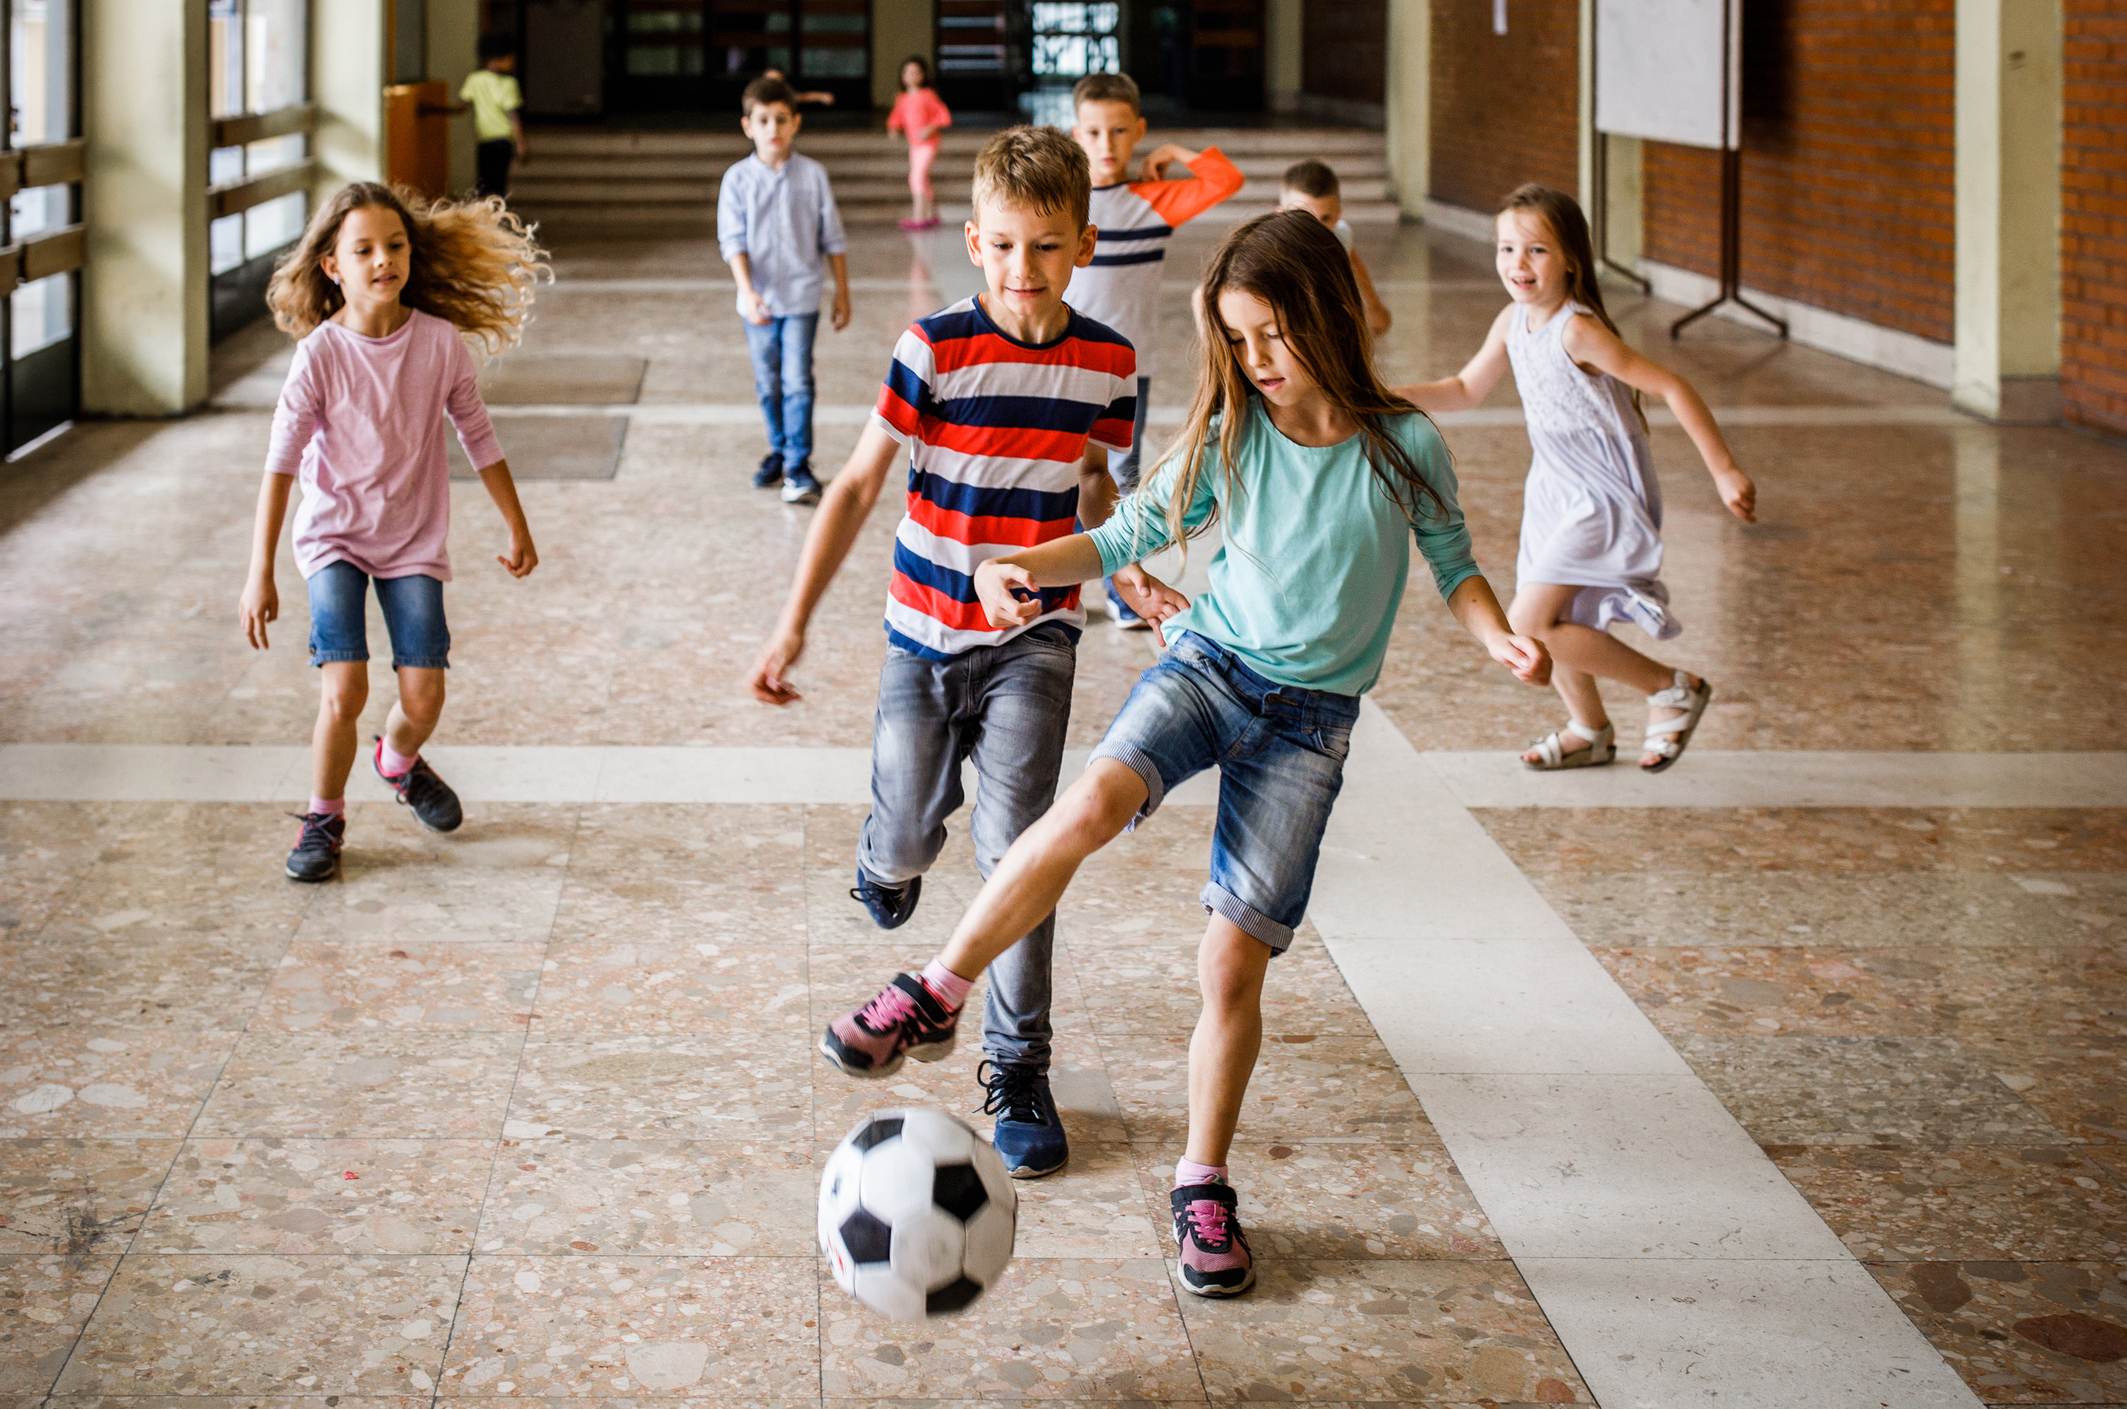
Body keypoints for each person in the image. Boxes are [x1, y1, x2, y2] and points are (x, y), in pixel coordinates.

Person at [817, 210, 1550, 1296]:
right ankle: (933, 988)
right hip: (1208, 667)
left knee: (1230, 959)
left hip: (1312, 721)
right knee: (1082, 811)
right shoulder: (1230, 430)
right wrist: (1020, 562)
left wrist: (1498, 634)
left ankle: (1203, 1184)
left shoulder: (1405, 445)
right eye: (1237, 341)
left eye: (1270, 337)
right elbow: (1122, 535)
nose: (1253, 362)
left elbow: (1454, 563)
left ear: (1327, 318)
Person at [748, 127, 1139, 1181]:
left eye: (1048, 248)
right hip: (921, 632)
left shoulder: (1110, 363)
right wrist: (793, 620)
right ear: (974, 242)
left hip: (1036, 637)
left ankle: (1019, 1063)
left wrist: (1123, 558)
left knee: (1022, 851)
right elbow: (860, 486)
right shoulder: (933, 349)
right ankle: (886, 860)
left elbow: (1098, 486)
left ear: (1083, 245)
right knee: (911, 836)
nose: (1025, 271)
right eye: (1006, 246)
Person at [239, 183, 546, 883]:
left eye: (395, 246)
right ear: (332, 266)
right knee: (343, 689)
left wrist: (516, 521)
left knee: (423, 698)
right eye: (364, 250)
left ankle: (397, 761)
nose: (384, 260)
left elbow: (478, 436)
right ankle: (324, 817)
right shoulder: (318, 355)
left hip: (411, 540)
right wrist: (259, 570)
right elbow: (280, 467)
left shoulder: (438, 345)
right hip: (333, 538)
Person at [1397, 183, 1756, 772]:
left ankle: (1670, 686)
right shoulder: (1513, 320)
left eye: (1536, 250)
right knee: (1559, 616)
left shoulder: (1577, 330)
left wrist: (1724, 470)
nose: (1518, 264)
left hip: (1603, 491)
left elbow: (1669, 386)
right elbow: (1463, 389)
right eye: (1506, 249)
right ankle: (1589, 729)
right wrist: (1384, 396)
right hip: (1555, 489)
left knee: (1528, 624)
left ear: (1570, 258)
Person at [1063, 69, 1242, 627]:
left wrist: (1174, 151)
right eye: (1092, 133)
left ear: (1137, 131)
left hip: (1127, 369)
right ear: (1076, 134)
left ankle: (1123, 594)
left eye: (1119, 132)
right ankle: (1061, 584)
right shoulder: (1067, 201)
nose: (1106, 145)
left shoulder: (1154, 202)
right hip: (1065, 361)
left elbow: (1224, 179)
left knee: (1121, 476)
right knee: (1060, 474)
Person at [718, 75, 852, 505]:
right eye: (763, 120)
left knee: (797, 381)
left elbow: (832, 238)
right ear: (748, 126)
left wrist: (842, 293)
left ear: (796, 123)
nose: (772, 128)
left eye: (781, 119)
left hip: (801, 297)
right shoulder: (737, 180)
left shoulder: (812, 176)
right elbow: (732, 241)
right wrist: (747, 291)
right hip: (756, 300)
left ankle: (798, 465)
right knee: (769, 382)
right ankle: (779, 449)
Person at [1278, 159, 1391, 337]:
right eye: (1303, 217)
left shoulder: (1341, 235)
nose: (1315, 228)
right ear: (1282, 215)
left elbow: (1354, 263)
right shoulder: (1275, 245)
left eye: (1325, 218)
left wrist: (1373, 306)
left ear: (1338, 214)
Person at [886, 56, 952, 231]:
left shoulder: (928, 95)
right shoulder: (902, 97)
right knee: (922, 178)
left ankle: (918, 215)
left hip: (928, 144)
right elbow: (897, 116)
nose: (911, 76)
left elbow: (943, 116)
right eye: (907, 72)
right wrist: (893, 127)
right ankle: (931, 214)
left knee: (916, 177)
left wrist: (930, 128)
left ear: (923, 75)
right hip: (914, 145)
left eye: (916, 72)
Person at [459, 35, 527, 199]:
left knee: (486, 182)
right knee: (497, 183)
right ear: (497, 57)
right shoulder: (509, 83)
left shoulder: (475, 79)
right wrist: (521, 142)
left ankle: (490, 214)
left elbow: (461, 107)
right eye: (510, 58)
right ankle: (494, 213)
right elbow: (513, 116)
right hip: (501, 140)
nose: (512, 62)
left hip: (487, 139)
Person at [760, 65, 835, 107]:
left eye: (777, 80)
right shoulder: (757, 95)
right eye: (770, 80)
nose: (773, 83)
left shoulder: (784, 93)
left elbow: (802, 97)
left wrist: (821, 96)